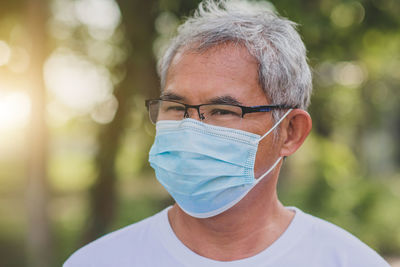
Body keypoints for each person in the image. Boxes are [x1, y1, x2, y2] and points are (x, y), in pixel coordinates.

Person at [64, 0, 390, 266]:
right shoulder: (97, 261)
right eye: (176, 107)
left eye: (222, 111)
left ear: (291, 132)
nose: (190, 129)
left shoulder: (348, 261)